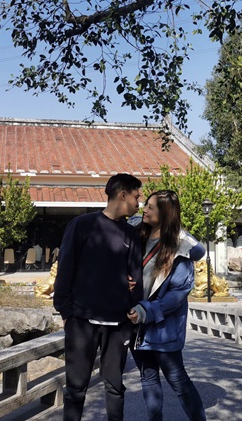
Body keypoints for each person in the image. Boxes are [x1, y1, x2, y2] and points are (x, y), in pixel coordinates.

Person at [53, 173, 144, 421]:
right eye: (136, 197)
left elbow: (136, 281)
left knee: (115, 387)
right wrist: (66, 313)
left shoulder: (131, 235)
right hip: (82, 322)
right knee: (75, 388)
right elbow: (65, 269)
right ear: (122, 195)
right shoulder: (83, 225)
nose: (139, 203)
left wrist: (132, 319)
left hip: (118, 325)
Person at [127, 190, 207, 421]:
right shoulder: (137, 236)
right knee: (148, 378)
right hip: (137, 325)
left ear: (165, 214)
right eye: (147, 205)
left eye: (151, 207)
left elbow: (177, 294)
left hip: (163, 327)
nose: (145, 209)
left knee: (178, 381)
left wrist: (146, 311)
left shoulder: (180, 249)